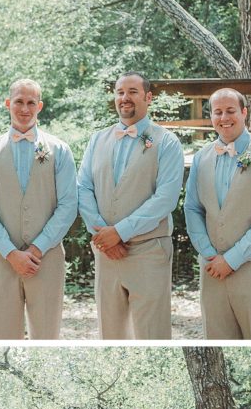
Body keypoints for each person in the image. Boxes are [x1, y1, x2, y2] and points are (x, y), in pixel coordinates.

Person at [77, 72, 184, 339]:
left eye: (133, 92)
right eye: (120, 92)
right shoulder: (97, 140)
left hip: (149, 251)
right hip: (106, 252)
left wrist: (120, 232)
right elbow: (83, 187)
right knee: (109, 335)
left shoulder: (166, 142)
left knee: (152, 334)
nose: (125, 98)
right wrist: (103, 235)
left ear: (148, 98)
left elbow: (166, 198)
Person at [0, 79, 77, 339]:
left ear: (39, 106)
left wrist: (37, 248)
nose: (24, 108)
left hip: (47, 258)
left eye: (31, 102)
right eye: (19, 101)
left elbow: (68, 205)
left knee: (47, 337)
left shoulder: (60, 150)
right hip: (2, 259)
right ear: (8, 104)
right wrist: (11, 253)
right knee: (3, 336)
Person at [184, 88, 251, 339]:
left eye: (230, 111)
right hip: (212, 270)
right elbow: (193, 208)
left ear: (244, 113)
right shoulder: (201, 158)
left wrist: (231, 260)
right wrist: (209, 254)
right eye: (217, 112)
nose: (224, 118)